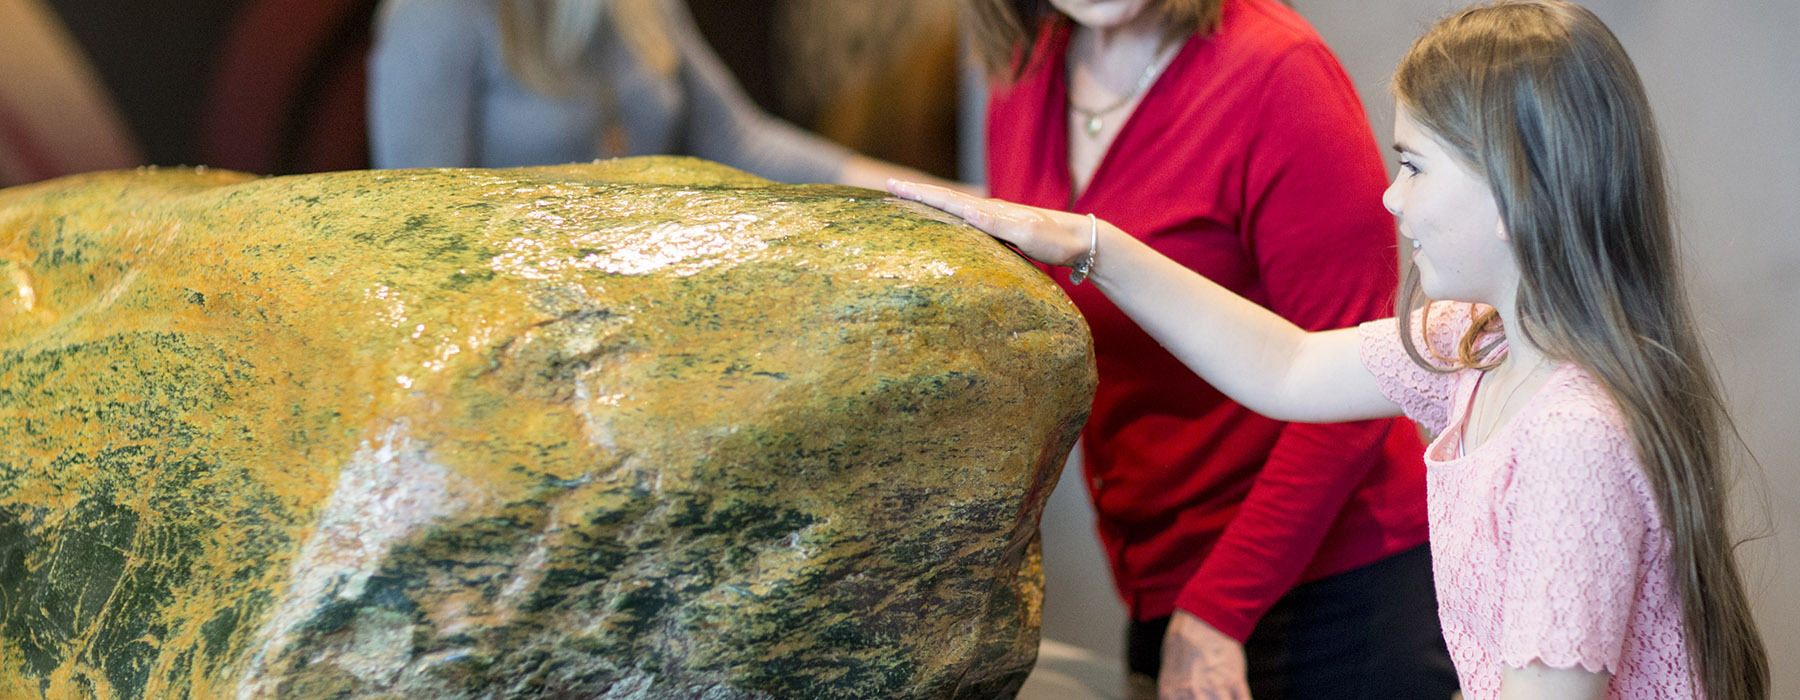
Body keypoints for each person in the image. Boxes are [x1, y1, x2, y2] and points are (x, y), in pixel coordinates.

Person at [892, 1, 1771, 698]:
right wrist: (1092, 243)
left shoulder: (1572, 436)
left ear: (1515, 189)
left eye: (1414, 166)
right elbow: (1287, 365)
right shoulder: (1470, 345)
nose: (1390, 200)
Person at [961, 0, 1455, 698]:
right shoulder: (1028, 68)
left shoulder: (1277, 72)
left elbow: (1362, 382)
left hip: (1334, 584)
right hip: (1160, 575)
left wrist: (1218, 610)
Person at [366, 0, 950, 189]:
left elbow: (745, 144)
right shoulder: (435, 14)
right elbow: (420, 225)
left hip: (649, 308)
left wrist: (940, 200)